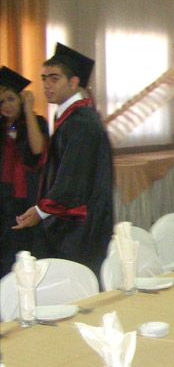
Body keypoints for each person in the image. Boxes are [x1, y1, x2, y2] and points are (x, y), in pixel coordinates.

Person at [13, 43, 113, 279]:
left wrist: (41, 210)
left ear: (73, 82)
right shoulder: (69, 117)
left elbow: (73, 178)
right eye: (44, 78)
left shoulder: (81, 123)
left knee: (76, 285)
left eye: (54, 78)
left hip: (79, 226)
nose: (46, 85)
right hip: (72, 221)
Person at [0, 66, 48, 277]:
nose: (6, 105)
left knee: (29, 253)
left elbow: (37, 149)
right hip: (4, 198)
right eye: (1, 102)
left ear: (21, 98)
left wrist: (28, 111)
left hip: (28, 195)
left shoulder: (37, 122)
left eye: (11, 99)